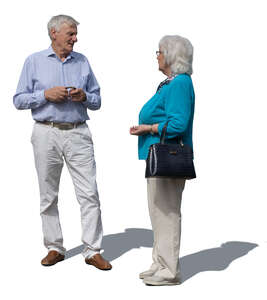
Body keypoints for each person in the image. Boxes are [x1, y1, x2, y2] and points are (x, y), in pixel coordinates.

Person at [13, 15, 111, 270]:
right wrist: (44, 95)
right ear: (53, 33)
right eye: (70, 33)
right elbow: (18, 99)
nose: (75, 38)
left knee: (89, 193)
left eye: (75, 34)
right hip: (46, 132)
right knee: (48, 194)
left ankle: (92, 250)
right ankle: (54, 247)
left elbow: (98, 100)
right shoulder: (33, 61)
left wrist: (84, 96)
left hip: (78, 132)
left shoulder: (83, 61)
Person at [130, 35, 195, 285]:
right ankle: (160, 263)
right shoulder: (168, 83)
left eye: (159, 51)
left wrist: (149, 128)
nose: (156, 55)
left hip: (169, 157)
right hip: (157, 156)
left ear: (170, 55)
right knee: (157, 212)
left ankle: (170, 271)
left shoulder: (180, 83)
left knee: (166, 213)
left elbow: (178, 123)